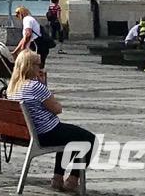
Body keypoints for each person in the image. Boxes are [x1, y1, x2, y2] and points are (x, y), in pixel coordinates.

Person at [7, 48, 93, 192]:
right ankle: (72, 180)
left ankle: (57, 179)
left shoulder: (13, 87)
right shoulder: (35, 87)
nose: (40, 68)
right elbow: (57, 109)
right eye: (37, 65)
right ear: (29, 66)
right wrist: (43, 85)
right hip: (44, 133)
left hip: (25, 132)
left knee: (68, 136)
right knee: (89, 139)